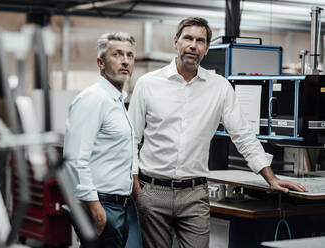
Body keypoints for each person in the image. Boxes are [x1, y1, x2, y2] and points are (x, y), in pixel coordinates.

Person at [128, 17, 307, 248]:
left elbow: (242, 135)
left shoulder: (219, 87)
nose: (193, 45)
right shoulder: (147, 84)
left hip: (194, 194)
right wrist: (136, 190)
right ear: (176, 42)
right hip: (153, 190)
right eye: (188, 38)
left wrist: (271, 178)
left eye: (200, 41)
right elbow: (131, 139)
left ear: (207, 49)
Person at [63, 32, 136, 248]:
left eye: (130, 56)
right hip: (101, 204)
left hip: (117, 206)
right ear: (100, 62)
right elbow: (75, 159)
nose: (125, 61)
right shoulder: (93, 99)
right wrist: (97, 211)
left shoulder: (116, 101)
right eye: (118, 54)